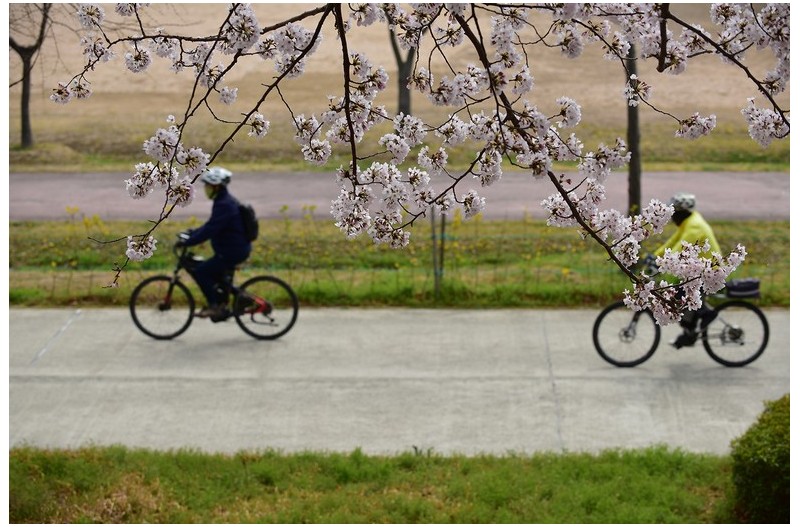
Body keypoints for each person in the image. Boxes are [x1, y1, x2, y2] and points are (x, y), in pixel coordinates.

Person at [176, 166, 251, 320]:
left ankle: (214, 306)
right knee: (215, 274)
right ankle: (237, 297)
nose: (205, 189)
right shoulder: (224, 201)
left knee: (201, 272)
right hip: (233, 249)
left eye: (207, 186)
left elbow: (211, 229)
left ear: (216, 186)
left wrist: (189, 242)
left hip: (232, 251)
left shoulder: (224, 205)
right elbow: (211, 225)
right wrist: (192, 233)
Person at [653, 192, 721, 349]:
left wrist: (663, 263)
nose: (672, 218)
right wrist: (654, 256)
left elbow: (679, 250)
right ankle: (689, 333)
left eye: (674, 214)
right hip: (698, 270)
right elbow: (672, 242)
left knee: (680, 296)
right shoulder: (688, 222)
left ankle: (707, 315)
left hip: (710, 273)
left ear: (681, 212)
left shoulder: (694, 226)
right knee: (681, 297)